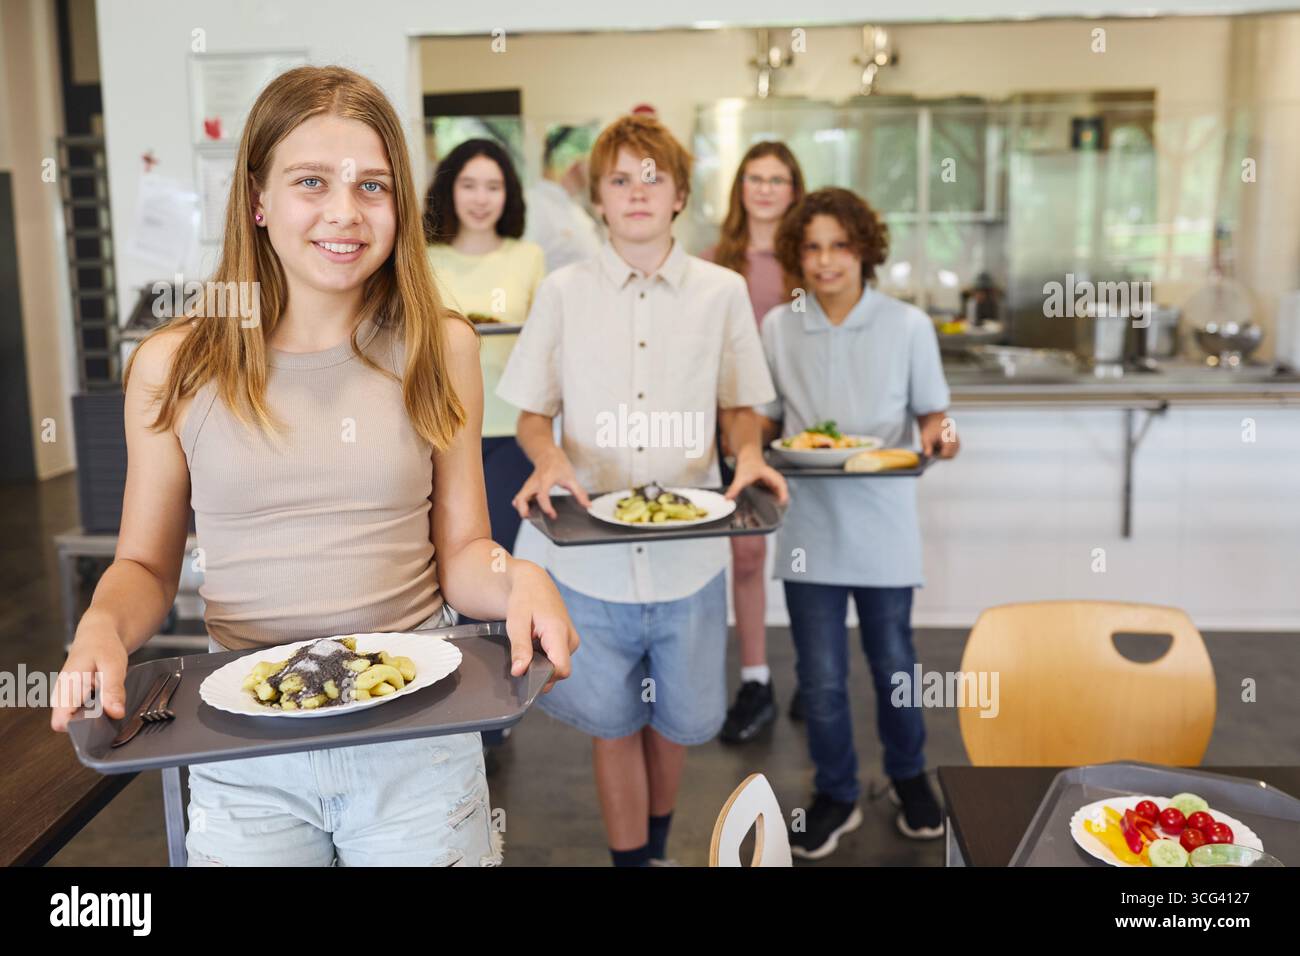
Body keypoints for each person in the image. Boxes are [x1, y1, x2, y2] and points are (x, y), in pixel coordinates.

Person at [49, 65, 578, 867]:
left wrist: (520, 579)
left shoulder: (443, 346)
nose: (344, 212)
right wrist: (100, 625)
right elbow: (145, 565)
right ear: (258, 199)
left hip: (417, 744)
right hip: (244, 751)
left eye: (373, 185)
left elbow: (466, 553)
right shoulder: (172, 364)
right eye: (311, 182)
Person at [497, 114, 789, 866]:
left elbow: (739, 407)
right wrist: (548, 457)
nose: (636, 193)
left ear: (680, 194)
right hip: (586, 558)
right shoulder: (563, 292)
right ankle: (632, 859)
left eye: (651, 179)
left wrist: (749, 453)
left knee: (675, 722)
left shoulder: (720, 293)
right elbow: (532, 415)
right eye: (619, 179)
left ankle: (658, 845)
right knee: (614, 723)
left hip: (688, 557)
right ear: (597, 197)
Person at [756, 187, 960, 859]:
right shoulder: (779, 327)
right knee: (819, 675)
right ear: (796, 255)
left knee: (894, 662)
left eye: (840, 246)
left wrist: (942, 436)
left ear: (865, 250)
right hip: (810, 522)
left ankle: (909, 777)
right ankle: (836, 792)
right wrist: (745, 445)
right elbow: (767, 417)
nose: (825, 262)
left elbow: (933, 415)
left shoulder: (906, 326)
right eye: (811, 248)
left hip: (883, 520)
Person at [700, 141, 806, 744]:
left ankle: (818, 680)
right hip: (739, 429)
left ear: (794, 189)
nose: (765, 189)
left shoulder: (809, 260)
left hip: (806, 430)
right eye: (755, 178)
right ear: (741, 187)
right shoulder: (716, 263)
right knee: (746, 554)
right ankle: (757, 680)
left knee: (815, 554)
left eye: (778, 179)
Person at [426, 139, 545, 554]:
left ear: (509, 193)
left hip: (510, 429)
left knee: (496, 551)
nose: (481, 198)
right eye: (469, 185)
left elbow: (544, 347)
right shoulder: (424, 258)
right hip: (441, 428)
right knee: (446, 551)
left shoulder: (527, 257)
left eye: (493, 187)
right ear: (449, 190)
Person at [524, 125, 602, 273]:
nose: (597, 170)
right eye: (591, 160)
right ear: (573, 162)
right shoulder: (533, 205)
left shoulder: (572, 207)